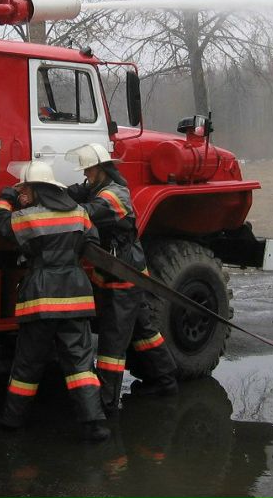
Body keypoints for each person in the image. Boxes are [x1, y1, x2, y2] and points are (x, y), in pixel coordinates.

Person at [0, 160, 111, 442]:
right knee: (81, 363)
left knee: (28, 364)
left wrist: (5, 198)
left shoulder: (27, 218)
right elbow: (91, 241)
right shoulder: (80, 213)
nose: (22, 195)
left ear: (37, 190)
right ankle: (95, 424)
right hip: (75, 294)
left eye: (24, 189)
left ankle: (11, 421)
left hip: (41, 297)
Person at [65, 143, 178, 414]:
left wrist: (59, 207)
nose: (86, 175)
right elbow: (75, 193)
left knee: (112, 341)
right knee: (143, 330)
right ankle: (166, 380)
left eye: (89, 169)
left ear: (102, 169)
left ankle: (106, 401)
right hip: (119, 273)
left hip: (125, 275)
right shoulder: (96, 187)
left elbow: (88, 213)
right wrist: (52, 192)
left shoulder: (115, 195)